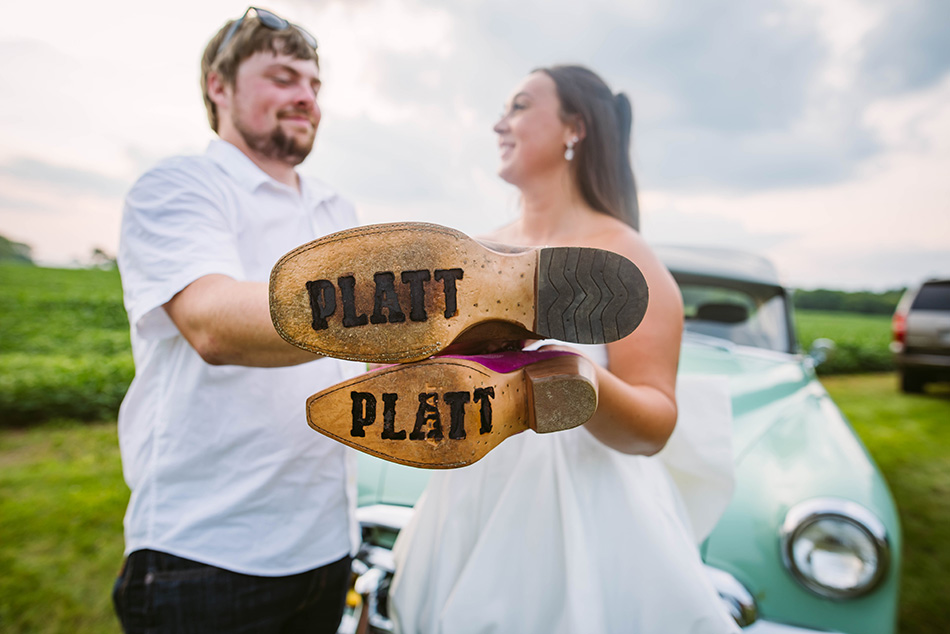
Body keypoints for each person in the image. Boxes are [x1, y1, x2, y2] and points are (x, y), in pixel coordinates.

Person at [388, 66, 740, 633]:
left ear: (574, 128)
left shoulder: (627, 260)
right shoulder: (473, 252)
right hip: (469, 497)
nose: (499, 123)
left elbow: (653, 427)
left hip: (578, 513)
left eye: (520, 106)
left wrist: (575, 379)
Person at [112, 8, 363, 633]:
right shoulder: (180, 186)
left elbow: (361, 356)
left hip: (329, 542)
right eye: (282, 77)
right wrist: (406, 308)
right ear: (218, 86)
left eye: (313, 84)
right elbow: (213, 324)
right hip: (206, 556)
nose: (305, 95)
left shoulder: (338, 207)